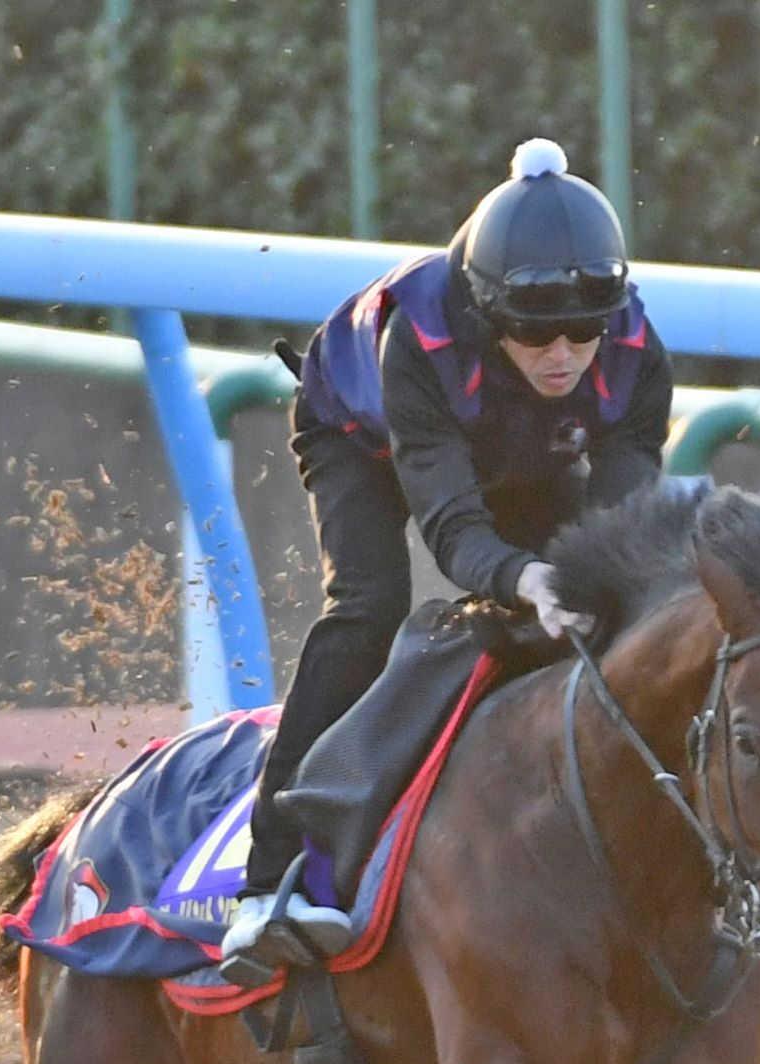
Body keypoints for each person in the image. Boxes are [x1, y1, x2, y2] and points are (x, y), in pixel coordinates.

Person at [221, 138, 672, 966]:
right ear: (486, 315)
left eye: (582, 331)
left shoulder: (637, 354)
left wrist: (586, 582)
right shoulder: (420, 343)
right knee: (371, 607)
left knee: (592, 607)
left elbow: (623, 520)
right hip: (367, 440)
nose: (564, 355)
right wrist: (522, 574)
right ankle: (269, 878)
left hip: (515, 444)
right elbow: (454, 525)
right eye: (535, 334)